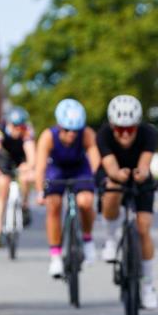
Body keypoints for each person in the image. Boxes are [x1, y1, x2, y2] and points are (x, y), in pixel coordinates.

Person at [96, 95, 158, 309]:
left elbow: (144, 163)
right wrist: (117, 174)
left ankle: (147, 285)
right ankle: (111, 240)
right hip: (114, 173)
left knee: (143, 228)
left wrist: (141, 174)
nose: (124, 134)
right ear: (112, 126)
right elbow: (110, 165)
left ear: (137, 126)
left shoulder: (148, 133)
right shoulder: (104, 134)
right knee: (112, 192)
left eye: (130, 129)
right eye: (119, 129)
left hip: (139, 177)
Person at [35, 99, 101, 278]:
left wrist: (98, 182)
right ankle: (55, 257)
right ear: (59, 126)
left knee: (86, 202)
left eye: (75, 130)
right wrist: (41, 191)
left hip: (80, 168)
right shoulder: (48, 136)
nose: (72, 134)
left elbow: (95, 161)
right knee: (53, 204)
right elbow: (40, 167)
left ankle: (87, 240)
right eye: (67, 130)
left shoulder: (87, 134)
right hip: (56, 170)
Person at [0, 106, 35, 246]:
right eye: (15, 126)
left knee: (25, 178)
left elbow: (31, 153)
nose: (17, 130)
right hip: (4, 159)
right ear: (9, 123)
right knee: (3, 186)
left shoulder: (27, 132)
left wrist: (29, 166)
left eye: (20, 127)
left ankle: (25, 205)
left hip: (20, 158)